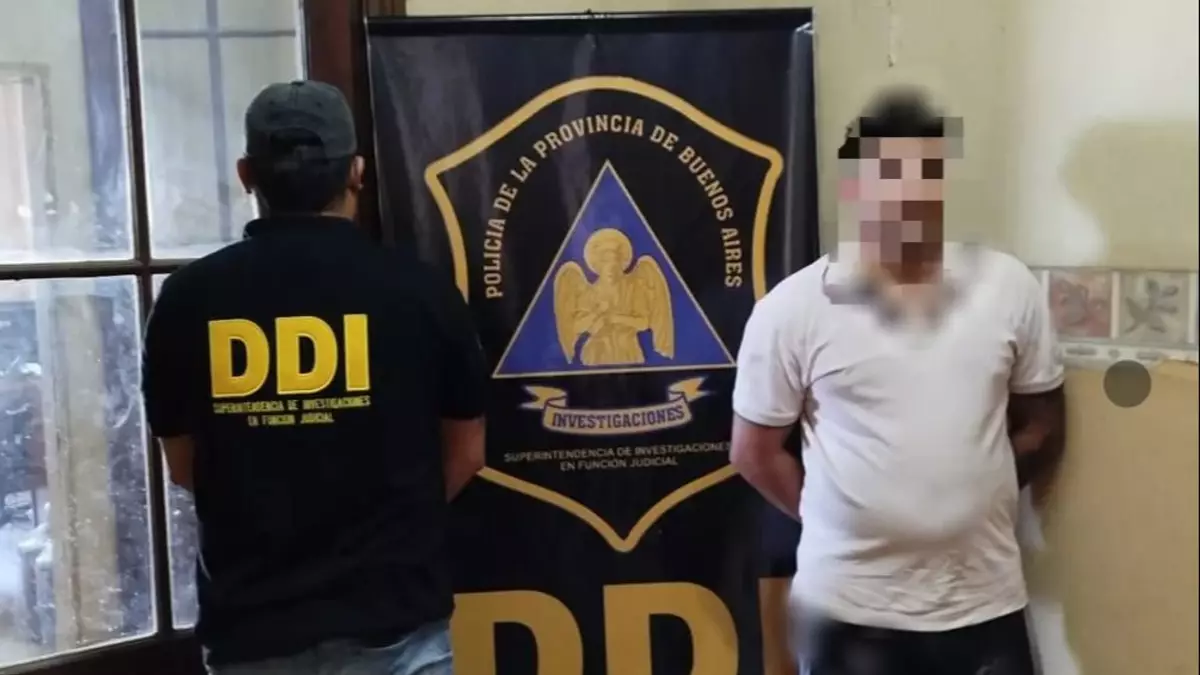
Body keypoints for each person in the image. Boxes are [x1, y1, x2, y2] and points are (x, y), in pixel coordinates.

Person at [142, 80, 488, 675]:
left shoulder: (186, 299)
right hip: (396, 624)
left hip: (254, 633)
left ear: (247, 174)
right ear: (356, 172)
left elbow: (183, 466)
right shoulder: (421, 292)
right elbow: (467, 453)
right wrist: (390, 529)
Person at [730, 88, 1066, 675]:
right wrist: (838, 515)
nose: (909, 191)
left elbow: (1042, 423)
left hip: (985, 604)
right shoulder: (793, 309)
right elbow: (754, 452)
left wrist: (968, 495)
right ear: (855, 185)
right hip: (849, 612)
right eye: (889, 173)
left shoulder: (1007, 287)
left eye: (925, 173)